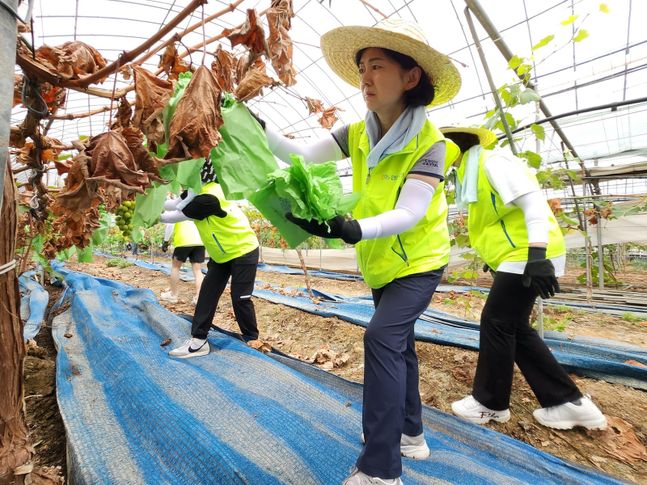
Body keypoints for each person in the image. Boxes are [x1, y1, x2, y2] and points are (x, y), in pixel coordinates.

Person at [253, 18, 461, 485]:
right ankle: (412, 434)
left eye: (378, 67)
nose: (365, 78)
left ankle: (381, 469)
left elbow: (409, 212)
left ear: (411, 78)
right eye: (363, 67)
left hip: (420, 262)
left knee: (381, 339)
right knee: (399, 345)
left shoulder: (434, 146)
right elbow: (300, 154)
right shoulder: (359, 133)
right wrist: (256, 126)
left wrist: (352, 228)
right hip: (380, 262)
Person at [441, 126, 607, 431]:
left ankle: (489, 404)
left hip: (529, 253)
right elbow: (498, 220)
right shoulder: (470, 173)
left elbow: (532, 203)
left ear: (453, 146)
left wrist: (536, 256)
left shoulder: (491, 163)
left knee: (497, 321)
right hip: (517, 255)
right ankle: (568, 403)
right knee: (513, 325)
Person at [160, 160, 260, 358]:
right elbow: (177, 202)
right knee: (207, 295)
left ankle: (252, 339)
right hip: (222, 255)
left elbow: (177, 213)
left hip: (243, 250)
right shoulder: (198, 191)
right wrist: (146, 202)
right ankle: (198, 341)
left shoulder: (210, 197)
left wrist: (149, 215)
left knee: (240, 298)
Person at [160, 214, 205, 305]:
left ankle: (173, 295)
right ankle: (198, 298)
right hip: (199, 242)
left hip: (183, 241)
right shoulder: (196, 210)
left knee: (175, 267)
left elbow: (170, 225)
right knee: (197, 270)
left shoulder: (178, 211)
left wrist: (165, 241)